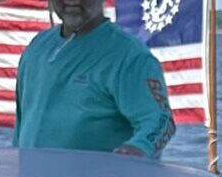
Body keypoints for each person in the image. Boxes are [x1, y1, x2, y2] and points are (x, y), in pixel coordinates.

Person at [13, 0, 173, 158]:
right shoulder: (36, 48)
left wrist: (139, 149)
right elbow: (21, 126)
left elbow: (161, 121)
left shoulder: (130, 57)